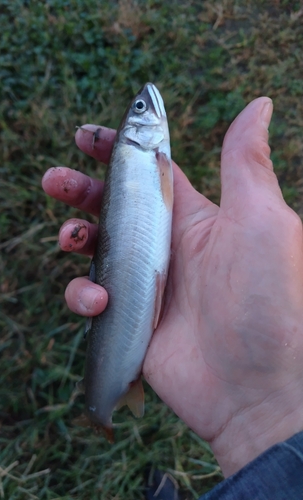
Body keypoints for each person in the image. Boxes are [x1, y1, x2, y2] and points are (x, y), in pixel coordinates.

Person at [42, 98, 303, 498]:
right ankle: (100, 408)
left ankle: (100, 409)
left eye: (141, 107)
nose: (151, 105)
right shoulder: (143, 155)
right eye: (143, 108)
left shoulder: (148, 156)